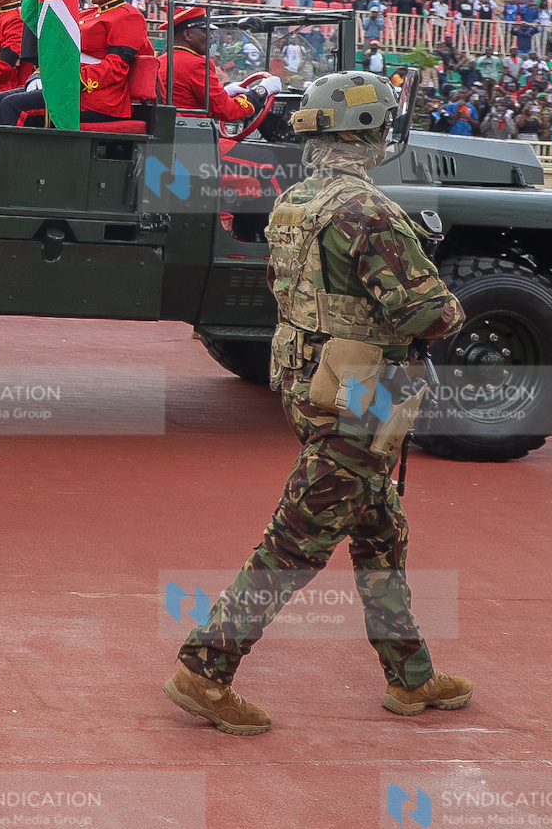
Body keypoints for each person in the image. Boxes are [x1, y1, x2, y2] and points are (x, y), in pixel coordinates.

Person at [167, 70, 468, 735]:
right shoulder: (370, 211)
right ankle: (205, 667)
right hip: (360, 394)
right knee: (297, 540)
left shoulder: (296, 201)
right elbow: (428, 316)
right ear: (374, 131)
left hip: (311, 383)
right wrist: (448, 297)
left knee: (379, 531)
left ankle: (411, 675)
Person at [0, 0, 148, 127]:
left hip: (95, 98)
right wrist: (39, 74)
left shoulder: (129, 17)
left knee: (12, 105)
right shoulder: (85, 14)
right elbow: (58, 55)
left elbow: (113, 69)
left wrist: (65, 80)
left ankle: (8, 156)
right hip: (65, 86)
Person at [162, 6, 259, 124]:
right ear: (187, 35)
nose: (211, 37)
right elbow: (227, 111)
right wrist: (259, 93)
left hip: (173, 128)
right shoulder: (197, 64)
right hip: (191, 134)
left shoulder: (161, 60)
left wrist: (225, 93)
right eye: (205, 31)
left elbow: (191, 99)